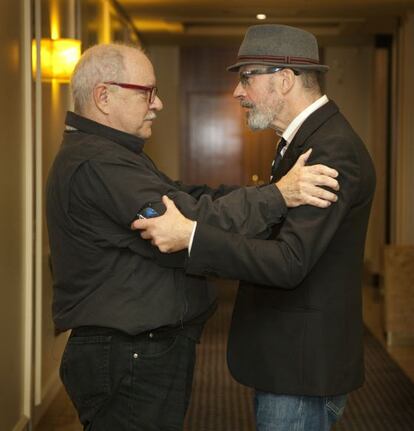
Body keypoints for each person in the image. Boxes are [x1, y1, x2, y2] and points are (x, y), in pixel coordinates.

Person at [46, 42, 339, 431]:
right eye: (147, 92)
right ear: (103, 96)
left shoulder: (114, 153)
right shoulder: (98, 163)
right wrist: (278, 196)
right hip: (128, 354)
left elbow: (187, 197)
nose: (158, 103)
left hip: (137, 351)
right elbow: (188, 218)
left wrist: (264, 194)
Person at [133, 24, 376, 431]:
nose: (237, 92)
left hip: (299, 367)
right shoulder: (303, 141)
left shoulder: (331, 150)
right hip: (290, 360)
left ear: (283, 80)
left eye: (246, 77)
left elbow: (289, 261)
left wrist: (191, 236)